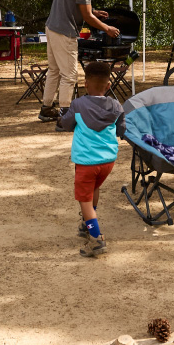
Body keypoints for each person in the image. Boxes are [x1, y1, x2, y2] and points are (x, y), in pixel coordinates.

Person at [39, 0, 120, 127]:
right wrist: (107, 28)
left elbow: (76, 5)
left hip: (52, 27)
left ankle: (46, 109)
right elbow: (88, 17)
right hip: (64, 31)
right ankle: (65, 117)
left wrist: (94, 11)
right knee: (69, 75)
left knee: (54, 70)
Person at [58, 62, 126, 257]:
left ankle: (96, 239)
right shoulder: (116, 105)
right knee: (93, 189)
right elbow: (122, 130)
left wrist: (62, 117)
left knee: (84, 200)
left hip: (86, 162)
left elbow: (66, 124)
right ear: (109, 85)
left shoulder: (78, 104)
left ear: (85, 84)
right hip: (107, 161)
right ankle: (88, 224)